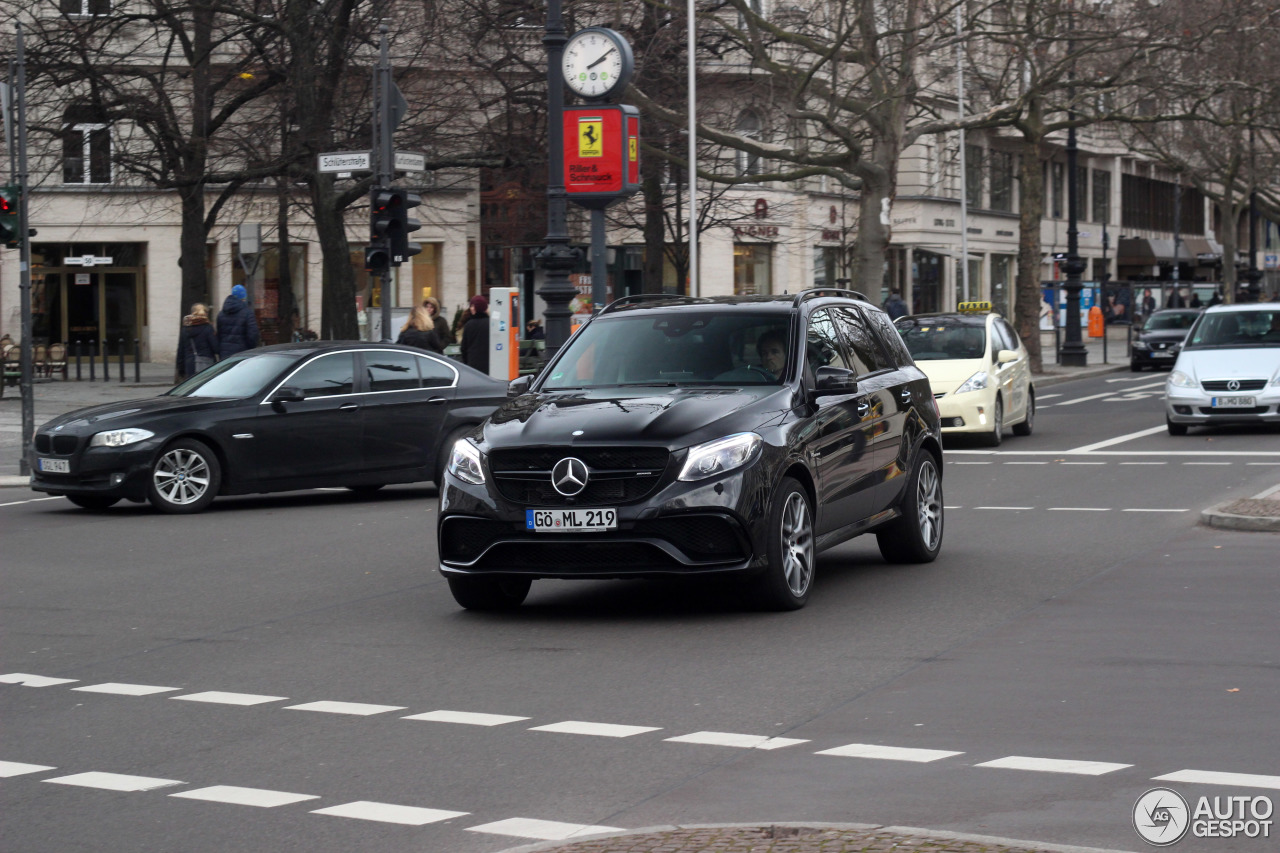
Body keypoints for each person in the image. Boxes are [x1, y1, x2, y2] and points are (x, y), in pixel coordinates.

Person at [216, 284, 259, 359]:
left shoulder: (221, 314)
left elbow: (219, 335)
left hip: (224, 355)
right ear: (243, 298)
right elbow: (253, 335)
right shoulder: (248, 313)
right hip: (242, 355)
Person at [177, 303, 218, 379]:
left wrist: (181, 368)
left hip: (189, 364)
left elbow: (181, 350)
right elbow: (215, 348)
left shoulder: (185, 329)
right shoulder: (208, 328)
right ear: (205, 313)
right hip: (206, 363)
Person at [459, 294, 490, 373]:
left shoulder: (469, 325)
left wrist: (467, 362)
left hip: (473, 365)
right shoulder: (491, 324)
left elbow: (463, 348)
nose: (471, 308)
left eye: (473, 306)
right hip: (489, 364)